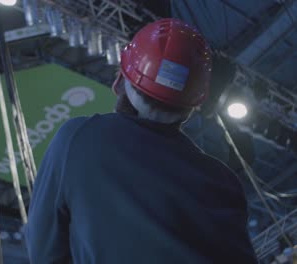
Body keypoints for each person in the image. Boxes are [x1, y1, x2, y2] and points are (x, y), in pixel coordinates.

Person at [24, 18, 257, 264]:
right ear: (192, 106)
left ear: (119, 82)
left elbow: (43, 252)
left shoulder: (80, 137)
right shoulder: (224, 182)